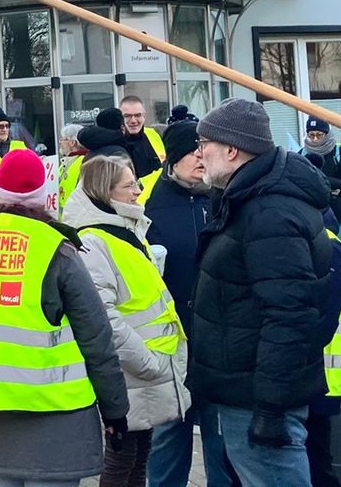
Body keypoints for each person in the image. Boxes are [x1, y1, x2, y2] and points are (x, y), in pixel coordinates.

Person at [0, 148, 130, 487]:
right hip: (53, 415)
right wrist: (115, 410)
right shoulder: (55, 248)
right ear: (44, 196)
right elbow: (97, 338)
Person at [189, 98, 332, 485]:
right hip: (243, 389)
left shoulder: (269, 213)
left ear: (232, 149)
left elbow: (291, 312)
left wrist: (269, 407)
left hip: (258, 398)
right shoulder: (244, 200)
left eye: (205, 145)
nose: (199, 155)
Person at [61, 154, 187, 487]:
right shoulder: (93, 241)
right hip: (130, 368)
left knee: (138, 452)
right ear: (106, 192)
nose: (137, 191)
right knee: (122, 456)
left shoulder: (126, 231)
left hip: (144, 366)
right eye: (129, 185)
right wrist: (146, 361)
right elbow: (103, 316)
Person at [136, 118, 240, 487]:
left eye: (203, 151)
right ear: (173, 159)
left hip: (219, 342)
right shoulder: (151, 208)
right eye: (191, 152)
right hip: (172, 342)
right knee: (168, 439)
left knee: (222, 441)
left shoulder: (225, 199)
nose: (200, 159)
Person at [305, 199, 341, 487]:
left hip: (321, 372)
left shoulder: (327, 243)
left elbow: (326, 314)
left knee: (318, 460)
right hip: (318, 372)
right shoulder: (321, 237)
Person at [299, 117, 341, 236]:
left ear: (326, 134)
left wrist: (324, 182)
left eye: (319, 135)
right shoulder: (301, 155)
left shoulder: (339, 153)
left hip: (338, 213)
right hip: (312, 213)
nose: (315, 139)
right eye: (311, 135)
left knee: (340, 249)